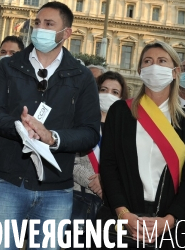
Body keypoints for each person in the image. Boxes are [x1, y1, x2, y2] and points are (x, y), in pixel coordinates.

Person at [0, 1, 101, 250]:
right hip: (7, 182)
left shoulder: (82, 77)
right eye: (37, 23)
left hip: (56, 189)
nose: (40, 29)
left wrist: (53, 138)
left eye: (49, 24)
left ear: (66, 33)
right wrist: (20, 127)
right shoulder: (9, 65)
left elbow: (90, 132)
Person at [97, 41, 185, 249]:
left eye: (162, 61)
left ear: (175, 71)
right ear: (140, 70)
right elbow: (108, 166)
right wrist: (123, 213)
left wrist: (170, 220)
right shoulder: (120, 111)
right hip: (122, 219)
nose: (154, 66)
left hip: (168, 224)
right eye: (147, 61)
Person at [72, 71, 129, 244]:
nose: (107, 95)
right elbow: (67, 159)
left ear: (122, 98)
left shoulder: (126, 130)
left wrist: (107, 183)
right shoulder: (79, 123)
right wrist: (93, 181)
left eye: (114, 92)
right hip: (79, 199)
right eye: (103, 89)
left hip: (111, 206)